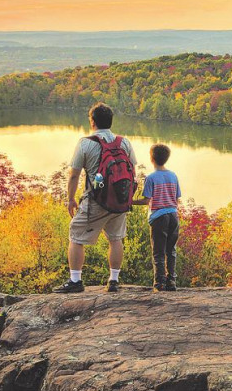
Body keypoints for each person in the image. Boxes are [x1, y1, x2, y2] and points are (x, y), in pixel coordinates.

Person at [52, 103, 136, 294]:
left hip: (95, 201)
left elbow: (74, 174)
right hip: (120, 200)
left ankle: (75, 281)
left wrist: (70, 199)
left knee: (75, 235)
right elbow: (132, 172)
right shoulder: (124, 142)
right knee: (116, 239)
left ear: (92, 122)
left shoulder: (85, 143)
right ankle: (114, 281)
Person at [133, 143, 181, 292]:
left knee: (158, 252)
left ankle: (159, 283)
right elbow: (177, 198)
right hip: (173, 216)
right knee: (171, 250)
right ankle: (171, 281)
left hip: (159, 218)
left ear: (151, 158)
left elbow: (146, 201)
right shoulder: (173, 175)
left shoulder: (151, 178)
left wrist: (130, 202)